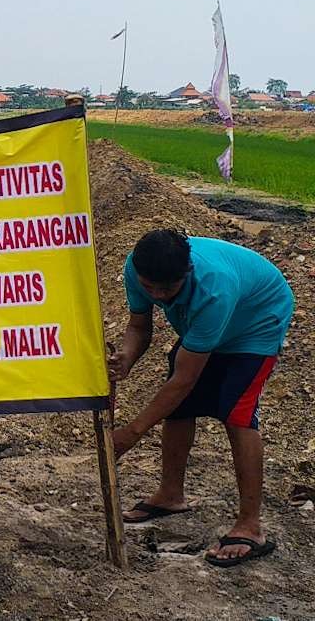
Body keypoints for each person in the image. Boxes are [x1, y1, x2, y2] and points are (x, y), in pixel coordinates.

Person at [109, 230, 294, 567]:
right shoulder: (137, 269)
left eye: (167, 290)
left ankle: (250, 527)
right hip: (209, 326)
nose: (158, 296)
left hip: (256, 321)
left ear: (187, 273)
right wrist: (126, 359)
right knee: (180, 407)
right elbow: (139, 326)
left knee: (237, 412)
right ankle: (170, 495)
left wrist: (131, 433)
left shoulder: (213, 288)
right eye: (150, 288)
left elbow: (184, 380)